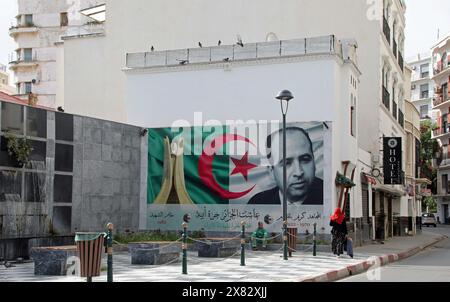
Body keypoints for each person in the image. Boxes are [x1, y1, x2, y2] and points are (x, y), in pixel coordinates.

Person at [248, 127, 323, 205]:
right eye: (286, 163)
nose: (298, 172)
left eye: (305, 159)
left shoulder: (329, 197)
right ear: (271, 171)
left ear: (314, 161)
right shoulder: (257, 203)